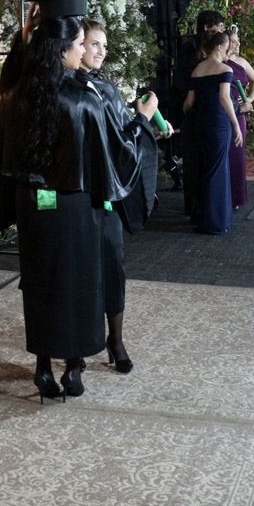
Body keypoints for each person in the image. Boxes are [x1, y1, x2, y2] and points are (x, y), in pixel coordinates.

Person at [0, 3, 157, 401]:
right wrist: (144, 119)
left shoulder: (17, 92)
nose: (84, 51)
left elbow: (13, 78)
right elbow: (120, 153)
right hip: (77, 205)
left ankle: (43, 367)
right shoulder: (83, 98)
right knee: (80, 284)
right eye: (80, 44)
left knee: (41, 282)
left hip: (34, 206)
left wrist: (26, 33)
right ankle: (73, 367)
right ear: (62, 49)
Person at [77, 19, 159, 374]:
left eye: (104, 46)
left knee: (113, 263)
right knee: (80, 269)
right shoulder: (65, 88)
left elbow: (122, 142)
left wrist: (143, 123)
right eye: (94, 44)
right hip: (77, 192)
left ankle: (116, 339)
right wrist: (142, 119)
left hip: (106, 194)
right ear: (77, 44)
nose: (101, 52)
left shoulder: (106, 89)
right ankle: (78, 343)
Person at [184, 30, 243, 234]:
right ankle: (215, 222)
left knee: (205, 170)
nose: (230, 50)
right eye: (228, 46)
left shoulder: (197, 69)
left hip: (200, 124)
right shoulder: (225, 69)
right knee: (217, 171)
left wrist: (187, 114)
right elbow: (225, 98)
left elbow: (189, 102)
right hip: (218, 124)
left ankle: (209, 217)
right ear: (219, 47)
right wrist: (236, 124)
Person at [176, 10, 226, 219]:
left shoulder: (213, 54)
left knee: (207, 163)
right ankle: (194, 206)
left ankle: (207, 206)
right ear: (206, 27)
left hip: (207, 112)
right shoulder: (190, 48)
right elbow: (181, 80)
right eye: (220, 26)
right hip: (195, 112)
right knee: (193, 162)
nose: (222, 30)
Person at [225, 25, 254, 209]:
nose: (237, 44)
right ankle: (223, 196)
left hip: (240, 113)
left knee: (237, 155)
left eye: (238, 41)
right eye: (233, 42)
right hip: (223, 112)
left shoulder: (242, 62)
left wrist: (250, 98)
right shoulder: (219, 63)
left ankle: (235, 198)